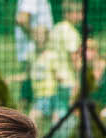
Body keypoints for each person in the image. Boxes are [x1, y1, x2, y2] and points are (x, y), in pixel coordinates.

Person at [29, 0, 80, 129]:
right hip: (68, 80)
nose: (81, 17)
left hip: (57, 82)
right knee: (66, 115)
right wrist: (81, 77)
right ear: (69, 13)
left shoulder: (56, 28)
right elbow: (74, 58)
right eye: (78, 13)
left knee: (57, 115)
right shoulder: (70, 31)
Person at [12, 0, 51, 107]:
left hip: (35, 52)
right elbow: (22, 19)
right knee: (29, 95)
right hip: (34, 52)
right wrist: (37, 36)